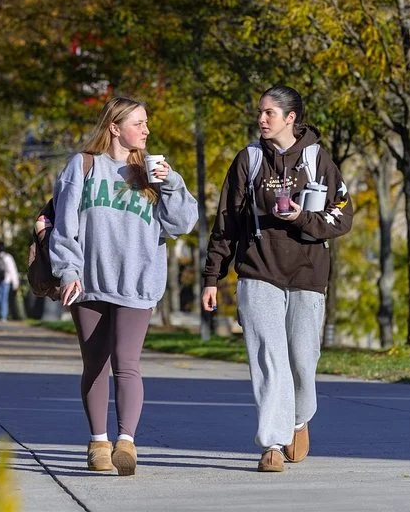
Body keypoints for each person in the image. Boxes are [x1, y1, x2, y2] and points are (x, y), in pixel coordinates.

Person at [202, 85, 353, 473]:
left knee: (303, 360)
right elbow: (226, 222)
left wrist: (301, 218)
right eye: (259, 112)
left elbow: (342, 216)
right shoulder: (248, 160)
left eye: (270, 113)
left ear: (291, 118)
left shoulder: (318, 160)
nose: (261, 119)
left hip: (307, 273)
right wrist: (212, 275)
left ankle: (299, 419)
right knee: (269, 358)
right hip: (258, 270)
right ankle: (270, 442)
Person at [50, 96, 198, 477]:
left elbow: (182, 224)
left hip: (137, 282)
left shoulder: (154, 173)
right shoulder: (82, 166)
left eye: (147, 123)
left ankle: (126, 442)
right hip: (89, 283)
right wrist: (68, 271)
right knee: (94, 364)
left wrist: (172, 183)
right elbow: (65, 227)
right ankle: (98, 442)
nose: (147, 130)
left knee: (127, 363)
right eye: (139, 123)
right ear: (115, 127)